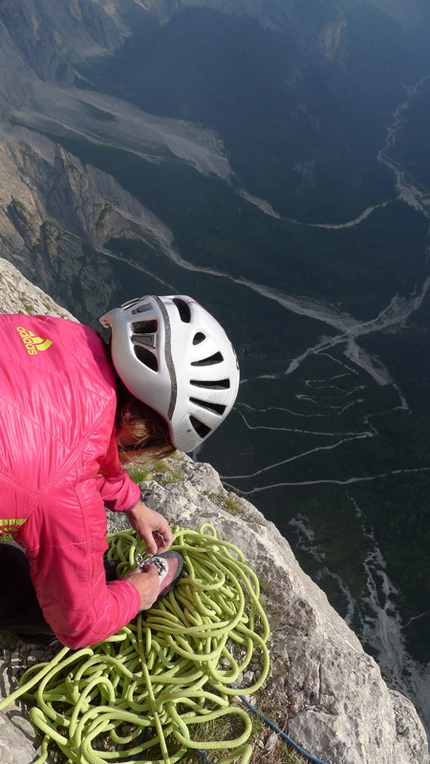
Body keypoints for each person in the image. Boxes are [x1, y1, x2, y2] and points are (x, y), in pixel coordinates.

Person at [0, 294, 240, 649]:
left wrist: (132, 504)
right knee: (15, 579)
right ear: (138, 430)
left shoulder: (58, 334)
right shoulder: (69, 500)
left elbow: (62, 437)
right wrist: (138, 592)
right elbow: (81, 625)